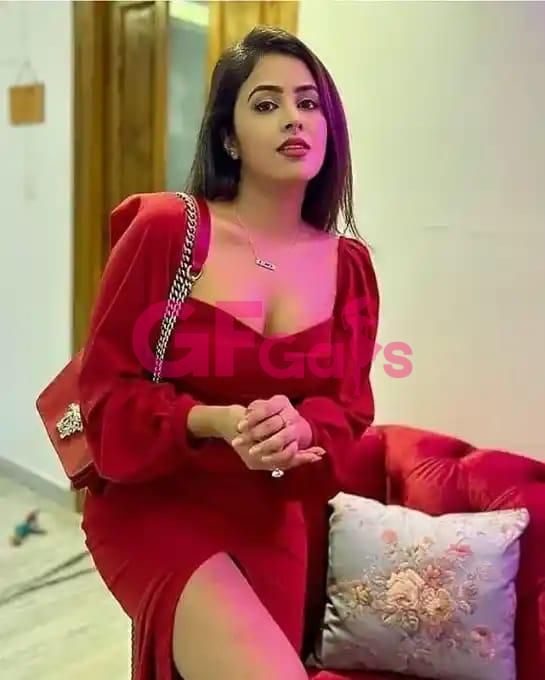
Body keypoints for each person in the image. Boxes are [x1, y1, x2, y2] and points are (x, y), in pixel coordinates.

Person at [79, 26, 379, 680]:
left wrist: (301, 427)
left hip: (271, 514)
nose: (293, 118)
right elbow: (104, 396)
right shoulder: (168, 229)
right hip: (157, 502)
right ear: (228, 138)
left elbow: (348, 411)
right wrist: (212, 420)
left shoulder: (350, 267)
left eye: (308, 102)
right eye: (266, 104)